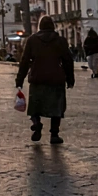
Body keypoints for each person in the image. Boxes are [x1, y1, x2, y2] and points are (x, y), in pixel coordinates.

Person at [15, 16, 74, 144]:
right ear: (52, 26)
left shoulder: (32, 40)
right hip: (56, 78)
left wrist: (19, 80)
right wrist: (70, 79)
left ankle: (37, 125)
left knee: (35, 106)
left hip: (37, 78)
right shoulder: (60, 41)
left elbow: (24, 61)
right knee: (56, 108)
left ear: (40, 27)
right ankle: (54, 134)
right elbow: (68, 61)